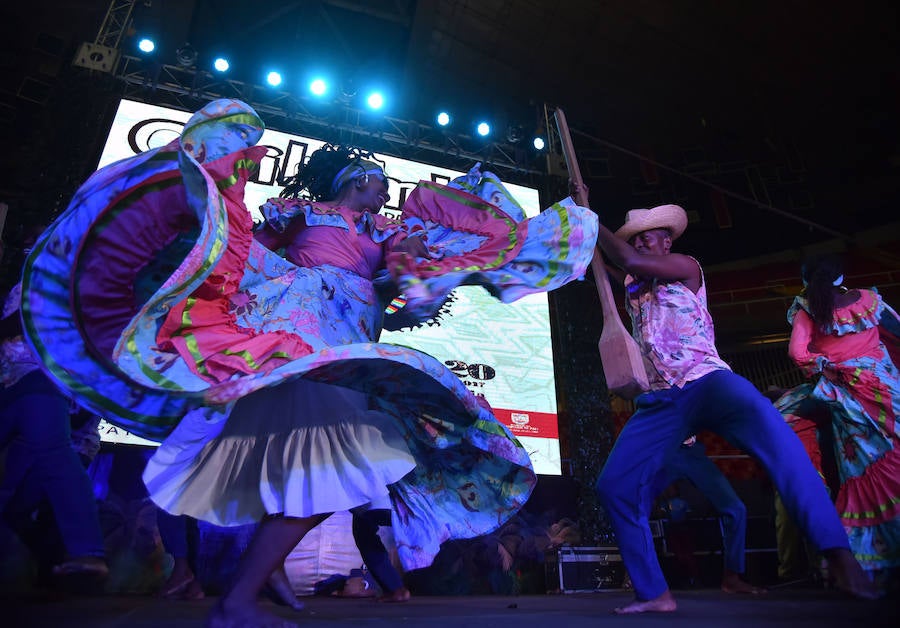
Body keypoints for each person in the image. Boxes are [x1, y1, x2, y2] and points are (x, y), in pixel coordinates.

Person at [21, 99, 597, 627]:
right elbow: (244, 250)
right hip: (295, 331)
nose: (384, 193)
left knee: (331, 469)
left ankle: (251, 579)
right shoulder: (302, 213)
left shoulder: (385, 232)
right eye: (378, 184)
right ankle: (240, 590)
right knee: (326, 465)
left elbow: (403, 283)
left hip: (346, 341)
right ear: (357, 181)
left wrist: (423, 277)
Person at [579, 193, 879, 614]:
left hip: (712, 383)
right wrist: (587, 242)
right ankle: (654, 593)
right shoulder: (633, 284)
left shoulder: (686, 267)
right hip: (664, 401)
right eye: (638, 237)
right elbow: (615, 270)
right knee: (615, 486)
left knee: (784, 449)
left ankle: (842, 560)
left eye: (652, 237)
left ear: (668, 242)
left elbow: (629, 261)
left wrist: (593, 221)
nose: (645, 242)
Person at [774, 254, 900, 590]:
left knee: (864, 468)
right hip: (887, 389)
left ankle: (868, 562)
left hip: (847, 392)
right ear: (842, 276)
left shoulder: (808, 306)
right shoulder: (870, 301)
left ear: (806, 280)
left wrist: (831, 366)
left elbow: (798, 354)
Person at [1, 253, 108, 584]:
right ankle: (80, 556)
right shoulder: (44, 285)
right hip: (22, 386)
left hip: (35, 380)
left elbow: (24, 323)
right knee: (20, 500)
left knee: (54, 461)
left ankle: (80, 556)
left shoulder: (59, 286)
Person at [651, 436, 763, 594]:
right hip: (662, 453)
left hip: (692, 454)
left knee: (736, 510)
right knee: (635, 509)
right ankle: (635, 577)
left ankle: (732, 577)